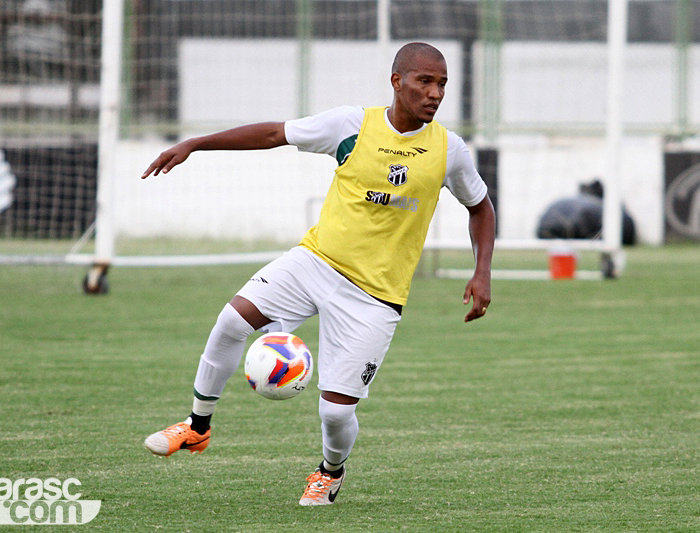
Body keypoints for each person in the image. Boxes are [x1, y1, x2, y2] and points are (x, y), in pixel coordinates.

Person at [141, 42, 496, 506]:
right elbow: (274, 133)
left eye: (442, 84)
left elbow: (481, 208)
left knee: (333, 413)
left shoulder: (450, 150)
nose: (434, 93)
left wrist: (482, 271)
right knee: (231, 321)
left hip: (375, 296)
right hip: (316, 262)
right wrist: (194, 143)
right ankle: (196, 426)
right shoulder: (352, 125)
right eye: (424, 81)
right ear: (397, 82)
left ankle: (330, 472)